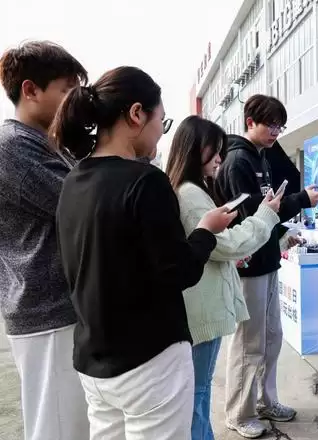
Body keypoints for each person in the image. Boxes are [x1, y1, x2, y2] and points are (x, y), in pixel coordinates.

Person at [52, 66, 236, 440]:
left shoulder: (73, 180)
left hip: (95, 360)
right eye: (161, 121)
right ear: (136, 114)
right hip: (150, 361)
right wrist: (205, 230)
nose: (160, 132)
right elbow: (180, 271)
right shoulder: (145, 181)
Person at [165, 115, 284, 440]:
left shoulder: (191, 189)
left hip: (204, 303)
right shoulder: (191, 194)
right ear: (193, 149)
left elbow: (216, 247)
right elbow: (224, 243)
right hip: (203, 307)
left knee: (199, 392)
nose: (220, 157)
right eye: (214, 149)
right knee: (198, 394)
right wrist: (265, 215)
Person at [215, 94, 318, 438]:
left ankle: (266, 400)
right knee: (249, 343)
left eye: (280, 126)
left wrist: (282, 234)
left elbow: (269, 213)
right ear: (250, 122)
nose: (276, 132)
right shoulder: (237, 161)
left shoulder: (261, 157)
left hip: (267, 262)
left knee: (272, 338)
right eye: (271, 125)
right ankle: (239, 412)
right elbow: (251, 215)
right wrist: (301, 200)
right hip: (248, 266)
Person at [0, 40, 90, 440]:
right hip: (46, 310)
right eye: (67, 90)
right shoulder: (13, 147)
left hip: (58, 307)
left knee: (72, 424)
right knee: (57, 428)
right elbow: (80, 205)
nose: (75, 101)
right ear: (30, 90)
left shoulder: (47, 143)